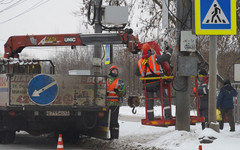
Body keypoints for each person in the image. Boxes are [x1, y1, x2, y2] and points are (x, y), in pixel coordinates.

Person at [135, 43, 172, 121]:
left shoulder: (139, 62)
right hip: (157, 83)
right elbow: (167, 57)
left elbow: (137, 73)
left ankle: (150, 118)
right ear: (150, 50)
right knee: (164, 99)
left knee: (149, 102)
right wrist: (170, 50)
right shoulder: (154, 58)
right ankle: (168, 116)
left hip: (147, 85)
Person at [107, 65, 126, 139]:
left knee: (114, 121)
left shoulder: (120, 81)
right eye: (113, 70)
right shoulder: (106, 80)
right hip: (106, 104)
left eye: (116, 71)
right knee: (106, 121)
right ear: (110, 71)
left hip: (115, 104)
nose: (115, 72)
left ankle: (114, 138)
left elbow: (123, 92)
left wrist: (118, 92)